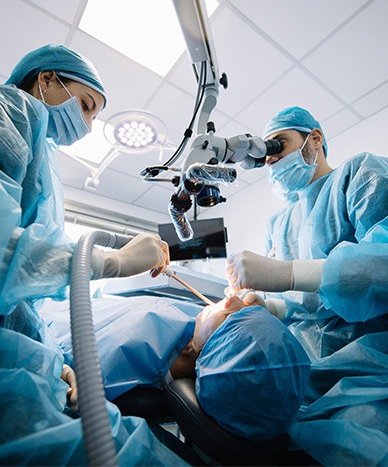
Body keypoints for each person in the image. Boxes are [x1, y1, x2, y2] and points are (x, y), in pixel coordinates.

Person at [0, 44, 185, 466]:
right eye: (85, 105)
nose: (86, 122)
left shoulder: (41, 155)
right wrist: (112, 262)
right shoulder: (9, 112)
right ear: (46, 78)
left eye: (94, 114)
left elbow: (20, 300)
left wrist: (54, 366)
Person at [225, 106, 388, 466]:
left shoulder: (361, 175)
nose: (273, 160)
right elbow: (303, 304)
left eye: (279, 145)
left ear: (314, 138)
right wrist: (270, 307)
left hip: (370, 369)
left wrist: (288, 274)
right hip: (304, 366)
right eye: (266, 158)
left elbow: (383, 265)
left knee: (357, 446)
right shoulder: (280, 224)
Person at [41, 291, 311, 443]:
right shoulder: (193, 326)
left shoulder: (123, 366)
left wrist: (56, 367)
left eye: (232, 316)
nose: (230, 299)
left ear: (213, 356)